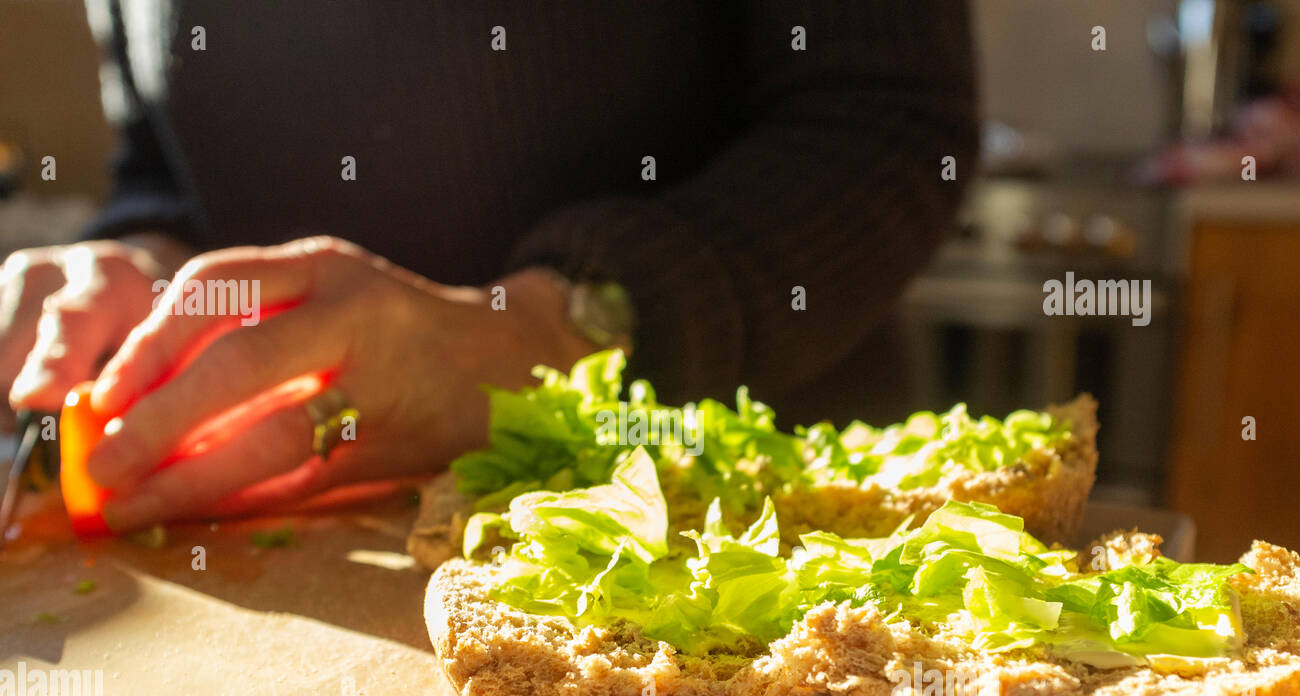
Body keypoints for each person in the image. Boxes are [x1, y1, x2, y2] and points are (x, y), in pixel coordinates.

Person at [0, 1, 976, 531]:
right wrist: (143, 255)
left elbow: (886, 115)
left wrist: (543, 335)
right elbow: (164, 158)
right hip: (313, 528)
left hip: (744, 523)